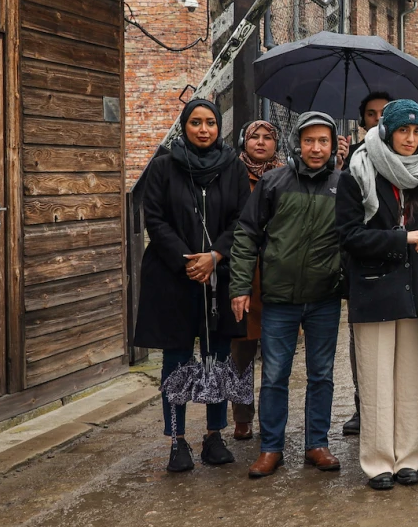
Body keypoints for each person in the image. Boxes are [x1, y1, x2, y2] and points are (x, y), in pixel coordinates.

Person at [133, 99, 250, 473]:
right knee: (177, 361)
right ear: (184, 126)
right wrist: (189, 260)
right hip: (174, 277)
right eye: (196, 122)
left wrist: (215, 256)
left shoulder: (232, 167)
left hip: (219, 276)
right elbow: (155, 219)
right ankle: (177, 440)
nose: (204, 129)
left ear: (219, 127)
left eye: (210, 122)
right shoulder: (164, 167)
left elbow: (242, 219)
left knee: (217, 358)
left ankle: (214, 436)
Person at [230, 112, 344, 478]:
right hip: (279, 299)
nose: (316, 148)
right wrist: (240, 286)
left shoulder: (343, 186)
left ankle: (317, 444)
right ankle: (271, 448)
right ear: (298, 143)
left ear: (332, 145)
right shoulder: (274, 182)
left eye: (323, 141)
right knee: (275, 374)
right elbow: (247, 234)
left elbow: (353, 237)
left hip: (324, 297)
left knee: (321, 374)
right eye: (309, 141)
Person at [338, 100, 418, 490]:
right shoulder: (357, 173)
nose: (410, 139)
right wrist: (401, 239)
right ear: (386, 132)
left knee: (411, 380)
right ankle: (378, 461)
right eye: (402, 131)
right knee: (376, 380)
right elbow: (349, 236)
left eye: (416, 132)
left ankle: (408, 457)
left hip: (414, 291)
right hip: (374, 288)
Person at [342, 90, 392, 437]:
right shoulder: (353, 161)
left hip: (399, 264)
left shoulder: (408, 158)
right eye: (372, 114)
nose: (378, 120)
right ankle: (364, 406)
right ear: (363, 121)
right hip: (364, 264)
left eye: (384, 113)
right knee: (361, 342)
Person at [228, 120, 282, 441]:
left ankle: (271, 419)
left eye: (268, 138)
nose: (261, 142)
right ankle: (241, 416)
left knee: (276, 358)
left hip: (278, 276)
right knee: (241, 354)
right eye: (254, 137)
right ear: (244, 142)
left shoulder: (287, 176)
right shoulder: (234, 175)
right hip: (246, 274)